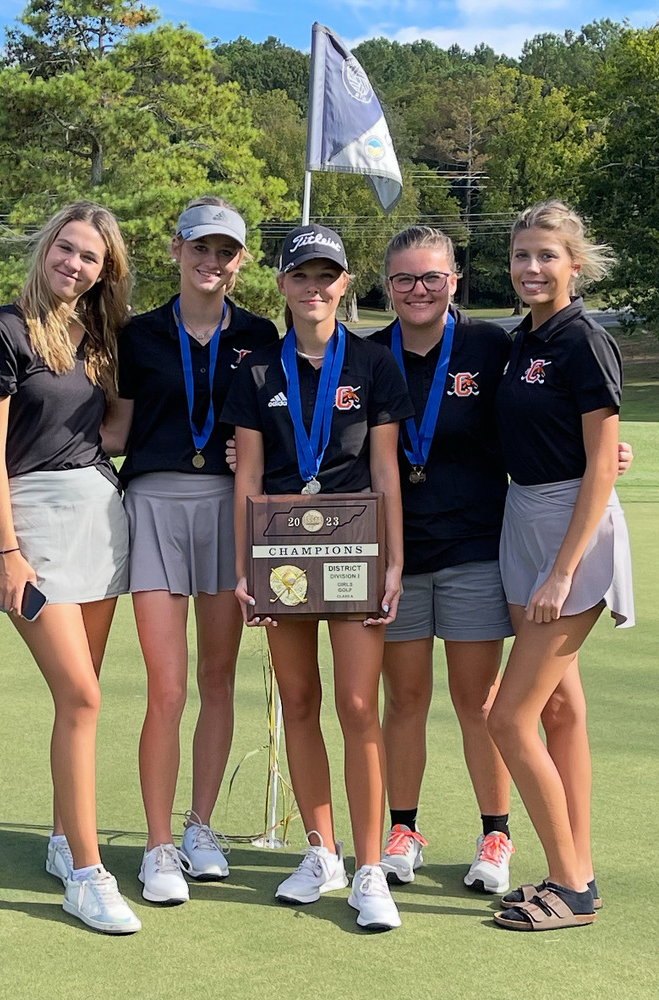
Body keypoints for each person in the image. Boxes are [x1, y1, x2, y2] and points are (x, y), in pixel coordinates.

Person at [224, 223, 412, 930]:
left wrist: (394, 562)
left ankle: (369, 869)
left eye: (326, 276)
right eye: (301, 276)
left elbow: (385, 470)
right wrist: (243, 568)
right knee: (298, 701)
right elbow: (246, 475)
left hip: (355, 553)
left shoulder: (373, 363)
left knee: (358, 706)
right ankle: (321, 851)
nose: (313, 288)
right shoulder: (255, 370)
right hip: (281, 558)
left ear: (344, 285)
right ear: (281, 284)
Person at [0, 202, 141, 935]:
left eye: (89, 257)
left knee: (81, 698)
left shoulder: (100, 337)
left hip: (99, 520)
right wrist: (5, 550)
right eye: (65, 248)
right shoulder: (4, 330)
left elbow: (114, 431)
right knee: (81, 697)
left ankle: (64, 841)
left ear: (105, 272)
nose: (73, 263)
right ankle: (89, 876)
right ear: (45, 249)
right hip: (32, 525)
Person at [106, 198, 278, 905]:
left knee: (217, 678)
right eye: (200, 247)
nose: (212, 262)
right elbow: (115, 431)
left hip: (230, 510)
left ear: (241, 261)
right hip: (153, 506)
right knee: (167, 686)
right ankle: (157, 845)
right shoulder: (137, 334)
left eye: (225, 251)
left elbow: (283, 422)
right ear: (175, 249)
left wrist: (260, 453)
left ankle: (200, 827)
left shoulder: (260, 334)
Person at [488, 201, 634, 931]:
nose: (532, 268)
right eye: (522, 255)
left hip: (568, 533)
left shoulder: (583, 340)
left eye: (547, 255)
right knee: (556, 709)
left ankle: (568, 886)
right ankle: (580, 869)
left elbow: (601, 463)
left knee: (508, 718)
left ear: (574, 264)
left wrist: (562, 572)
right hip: (523, 517)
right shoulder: (521, 339)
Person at [368, 227, 519, 893]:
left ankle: (495, 835)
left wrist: (603, 452)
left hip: (474, 547)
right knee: (403, 699)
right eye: (404, 278)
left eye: (431, 276)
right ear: (387, 286)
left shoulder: (489, 346)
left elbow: (536, 419)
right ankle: (403, 831)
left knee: (476, 701)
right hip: (396, 558)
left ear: (454, 280)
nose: (418, 289)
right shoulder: (368, 354)